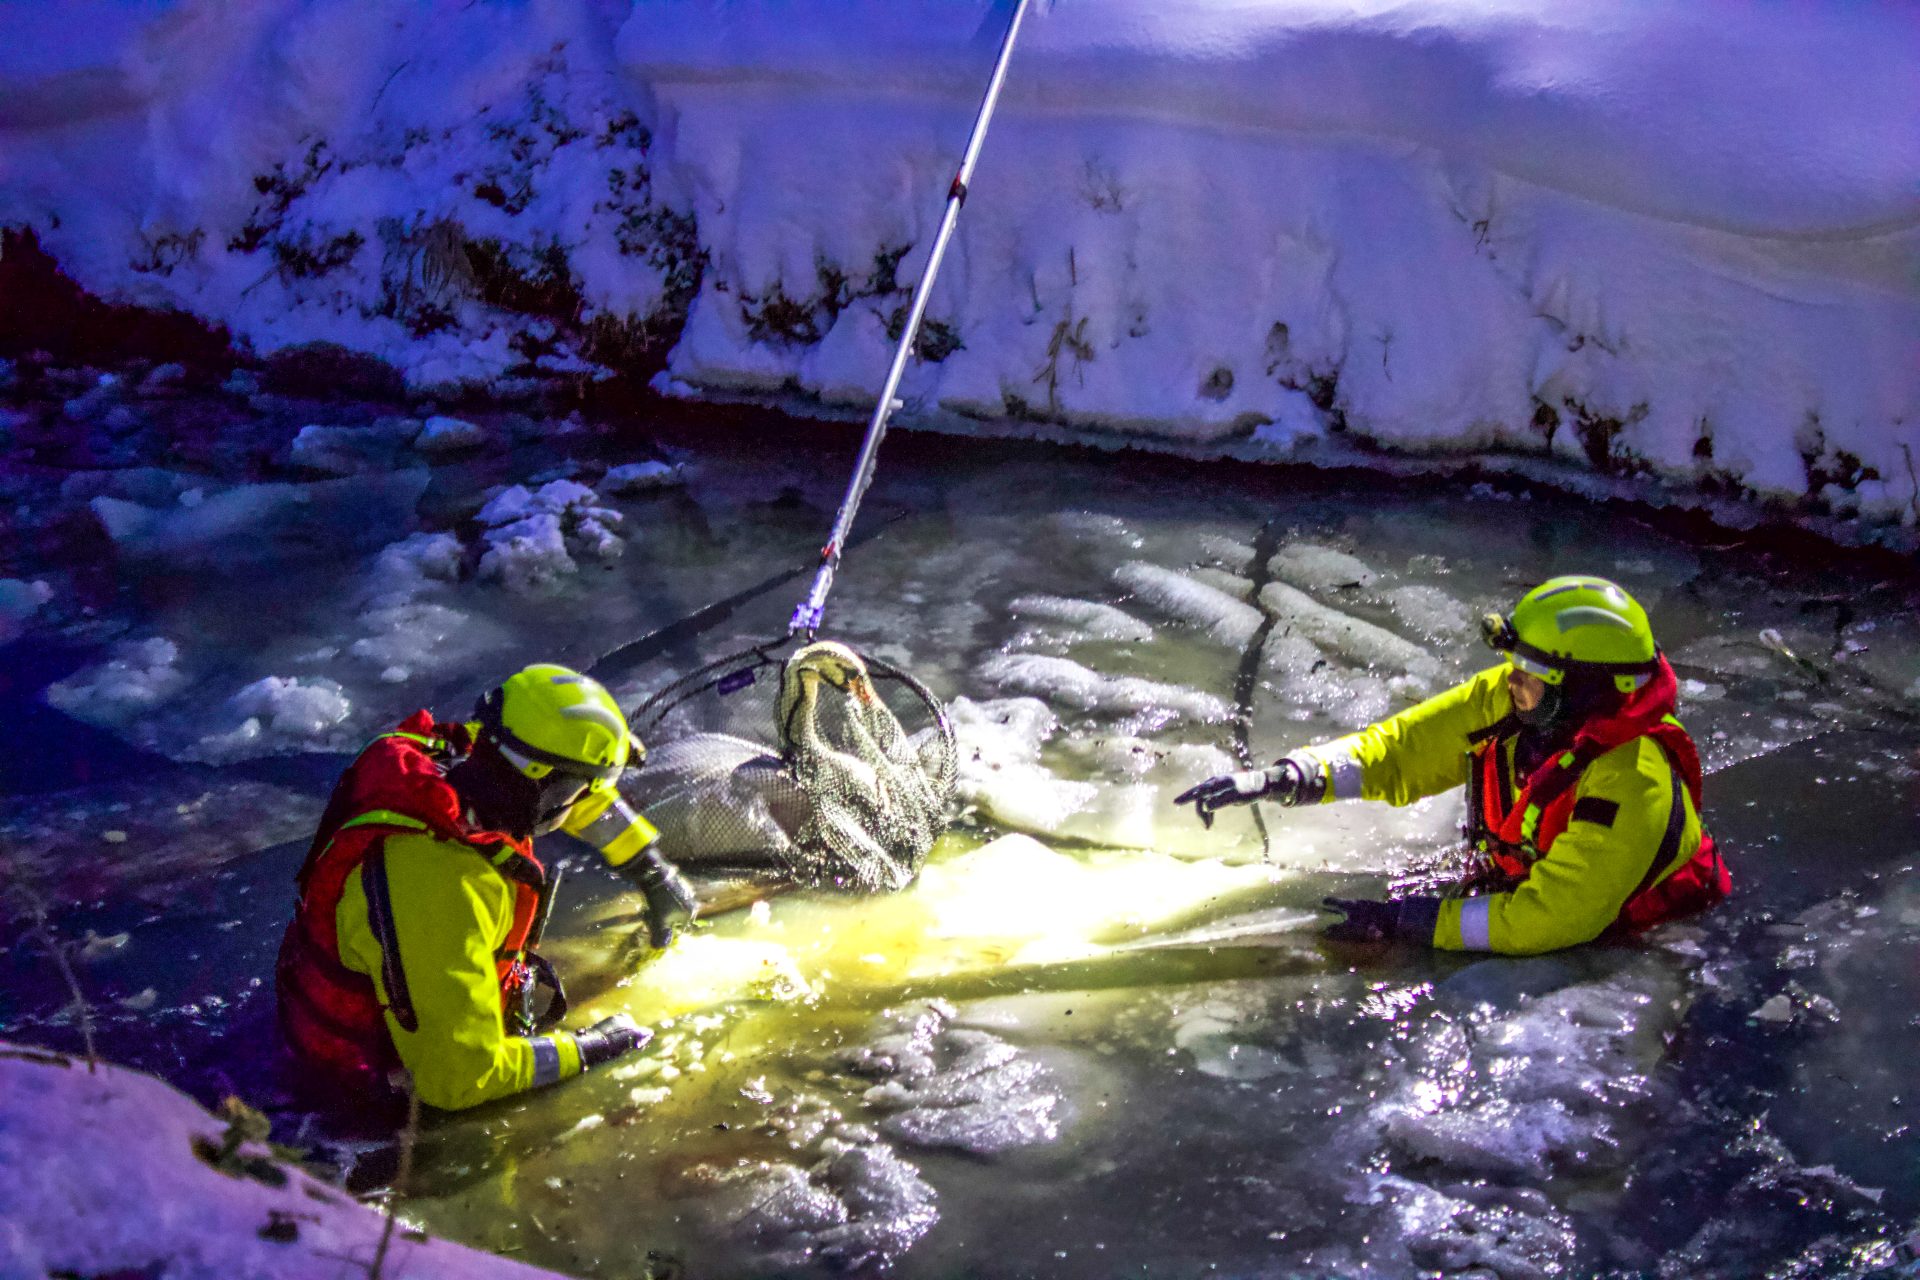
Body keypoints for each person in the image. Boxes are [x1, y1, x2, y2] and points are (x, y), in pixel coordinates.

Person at [1175, 575, 1728, 955]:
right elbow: (1401, 751)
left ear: (1583, 691)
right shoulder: (1513, 703)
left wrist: (1410, 923)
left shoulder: (1633, 781)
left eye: (1531, 675)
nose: (1511, 682)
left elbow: (1553, 920)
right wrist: (1289, 776)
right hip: (1523, 895)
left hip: (1631, 942)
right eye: (1513, 666)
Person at [277, 664, 698, 1112]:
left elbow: (559, 787)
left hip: (399, 976)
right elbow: (459, 1079)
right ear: (546, 789)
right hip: (372, 1078)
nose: (582, 800)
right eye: (578, 788)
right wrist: (592, 1046)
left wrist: (650, 867)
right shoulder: (443, 885)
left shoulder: (465, 759)